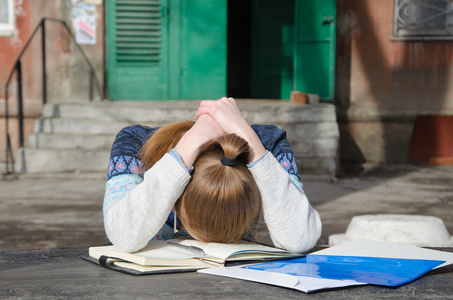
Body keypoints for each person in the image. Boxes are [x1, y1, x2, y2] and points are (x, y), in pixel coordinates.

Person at [103, 97, 322, 253]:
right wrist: (189, 144)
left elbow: (299, 238)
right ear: (177, 201)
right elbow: (124, 234)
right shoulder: (136, 146)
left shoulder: (268, 147)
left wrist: (249, 139)